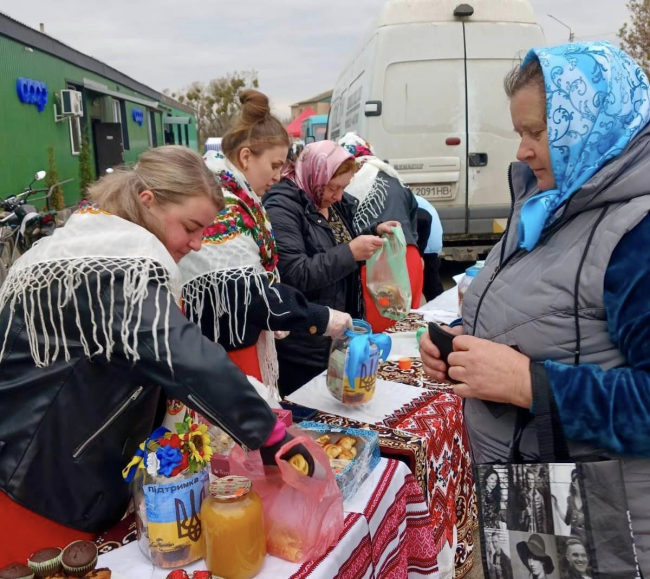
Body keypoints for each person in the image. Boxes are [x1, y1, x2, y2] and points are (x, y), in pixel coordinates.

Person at [0, 146, 313, 566]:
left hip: (46, 459)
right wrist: (269, 434)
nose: (198, 243)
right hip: (43, 481)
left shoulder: (90, 245)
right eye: (190, 226)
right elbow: (181, 356)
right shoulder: (111, 267)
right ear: (147, 202)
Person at [419, 41, 650, 573]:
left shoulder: (636, 232)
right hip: (539, 492)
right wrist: (463, 342)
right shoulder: (553, 203)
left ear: (588, 127)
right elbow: (550, 315)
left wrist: (527, 382)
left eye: (536, 134)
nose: (521, 150)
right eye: (520, 133)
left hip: (608, 526)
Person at [179, 91, 351, 396]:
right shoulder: (226, 208)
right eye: (273, 165)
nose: (277, 176)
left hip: (233, 343)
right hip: (227, 353)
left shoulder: (241, 200)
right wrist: (319, 317)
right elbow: (249, 295)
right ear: (246, 157)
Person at [264, 141, 399, 394]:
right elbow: (295, 272)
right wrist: (351, 252)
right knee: (311, 411)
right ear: (315, 174)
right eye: (333, 187)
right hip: (304, 342)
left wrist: (371, 233)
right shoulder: (283, 207)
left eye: (344, 188)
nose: (338, 196)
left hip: (335, 332)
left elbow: (334, 242)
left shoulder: (333, 203)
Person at [337, 132, 424, 331]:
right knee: (406, 326)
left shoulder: (350, 178)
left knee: (377, 328)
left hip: (374, 260)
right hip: (408, 255)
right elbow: (417, 215)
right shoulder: (393, 176)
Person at [414, 195, 445, 301]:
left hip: (427, 244)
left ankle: (441, 312)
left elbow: (424, 219)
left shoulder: (399, 200)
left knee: (431, 287)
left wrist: (420, 253)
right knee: (431, 286)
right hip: (428, 242)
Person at [552, 470, 586, 544]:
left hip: (587, 541)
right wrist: (556, 507)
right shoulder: (570, 500)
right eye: (578, 482)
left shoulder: (589, 500)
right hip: (574, 540)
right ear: (573, 484)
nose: (581, 484)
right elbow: (567, 521)